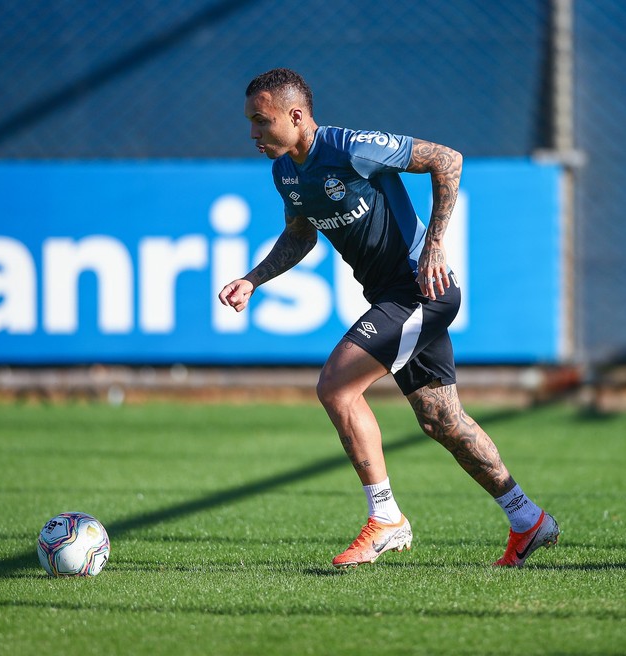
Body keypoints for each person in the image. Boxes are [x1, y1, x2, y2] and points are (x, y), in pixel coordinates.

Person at [219, 68, 559, 569]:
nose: (253, 133)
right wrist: (253, 278)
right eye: (249, 122)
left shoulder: (352, 147)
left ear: (296, 115)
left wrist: (435, 248)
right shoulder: (286, 172)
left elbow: (447, 159)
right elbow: (300, 235)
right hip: (392, 297)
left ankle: (387, 520)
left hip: (421, 291)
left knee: (336, 387)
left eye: (261, 121)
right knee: (442, 420)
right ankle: (527, 519)